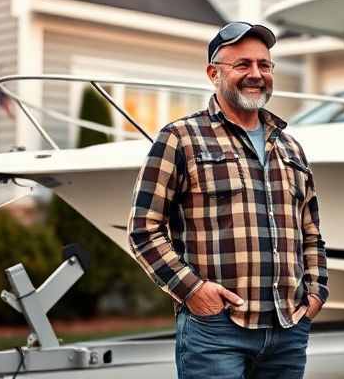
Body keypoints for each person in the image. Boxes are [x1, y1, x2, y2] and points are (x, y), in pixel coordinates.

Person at [127, 21, 329, 379]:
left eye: (264, 65)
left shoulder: (289, 147)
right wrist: (193, 291)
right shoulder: (180, 138)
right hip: (216, 331)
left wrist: (314, 294)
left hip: (288, 328)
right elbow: (143, 229)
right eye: (242, 65)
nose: (256, 74)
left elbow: (310, 234)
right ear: (213, 73)